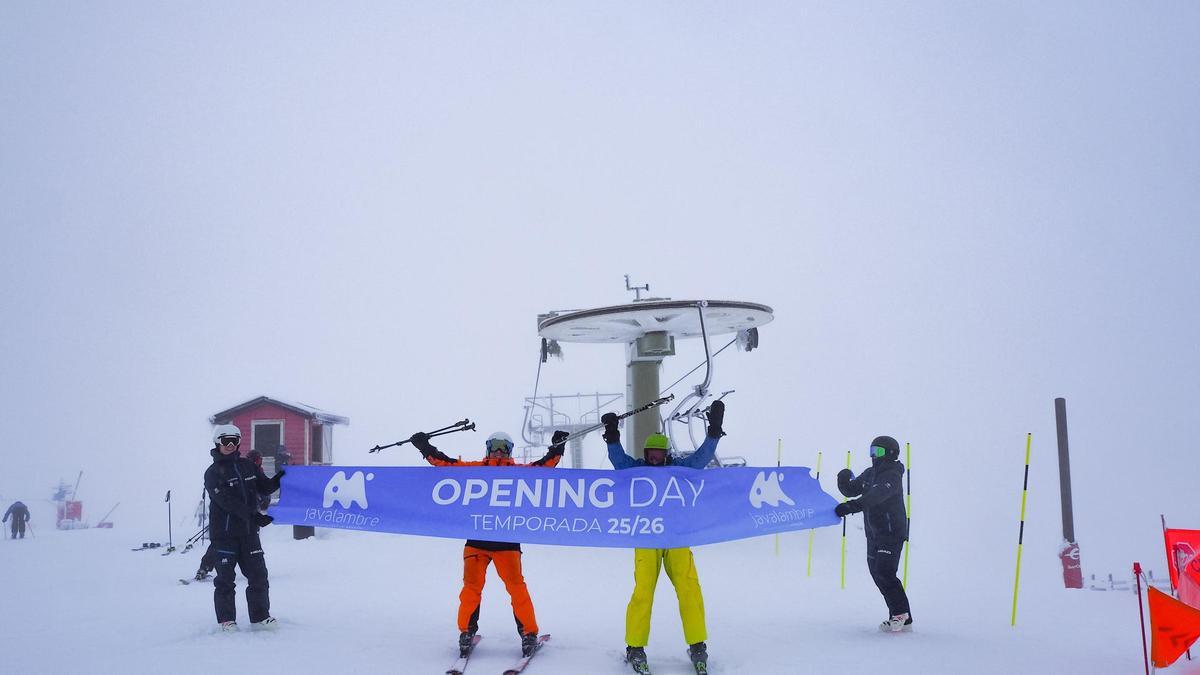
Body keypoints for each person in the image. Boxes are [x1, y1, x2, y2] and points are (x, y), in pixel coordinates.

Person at [410, 428, 568, 659]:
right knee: (472, 590)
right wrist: (425, 448)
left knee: (516, 589)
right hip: (477, 541)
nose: (499, 451)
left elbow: (544, 467)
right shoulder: (474, 470)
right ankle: (466, 632)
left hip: (506, 542)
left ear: (511, 451)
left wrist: (557, 447)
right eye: (495, 446)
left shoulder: (518, 472)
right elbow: (446, 464)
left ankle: (528, 634)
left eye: (504, 447)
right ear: (487, 448)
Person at [603, 399, 725, 674]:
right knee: (643, 592)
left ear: (666, 453)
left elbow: (702, 458)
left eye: (658, 454)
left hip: (677, 537)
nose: (654, 459)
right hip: (647, 538)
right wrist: (612, 435)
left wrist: (714, 432)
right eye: (650, 454)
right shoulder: (636, 469)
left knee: (689, 589)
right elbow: (617, 460)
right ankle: (635, 646)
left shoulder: (679, 468)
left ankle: (697, 645)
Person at [204, 424, 284, 631]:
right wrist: (254, 516)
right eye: (225, 441)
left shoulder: (248, 466)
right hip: (224, 535)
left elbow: (265, 487)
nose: (230, 445)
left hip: (249, 534)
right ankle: (226, 620)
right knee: (225, 580)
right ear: (217, 443)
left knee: (258, 575)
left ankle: (259, 617)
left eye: (234, 441)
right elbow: (226, 502)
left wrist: (282, 477)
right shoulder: (212, 473)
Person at [835, 435, 912, 632]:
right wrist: (843, 478)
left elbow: (875, 496)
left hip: (891, 532)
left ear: (890, 453)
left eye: (877, 452)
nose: (873, 456)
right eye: (871, 451)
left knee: (885, 571)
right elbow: (852, 489)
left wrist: (851, 507)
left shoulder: (892, 475)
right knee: (876, 573)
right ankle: (899, 615)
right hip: (874, 534)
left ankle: (901, 615)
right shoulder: (870, 474)